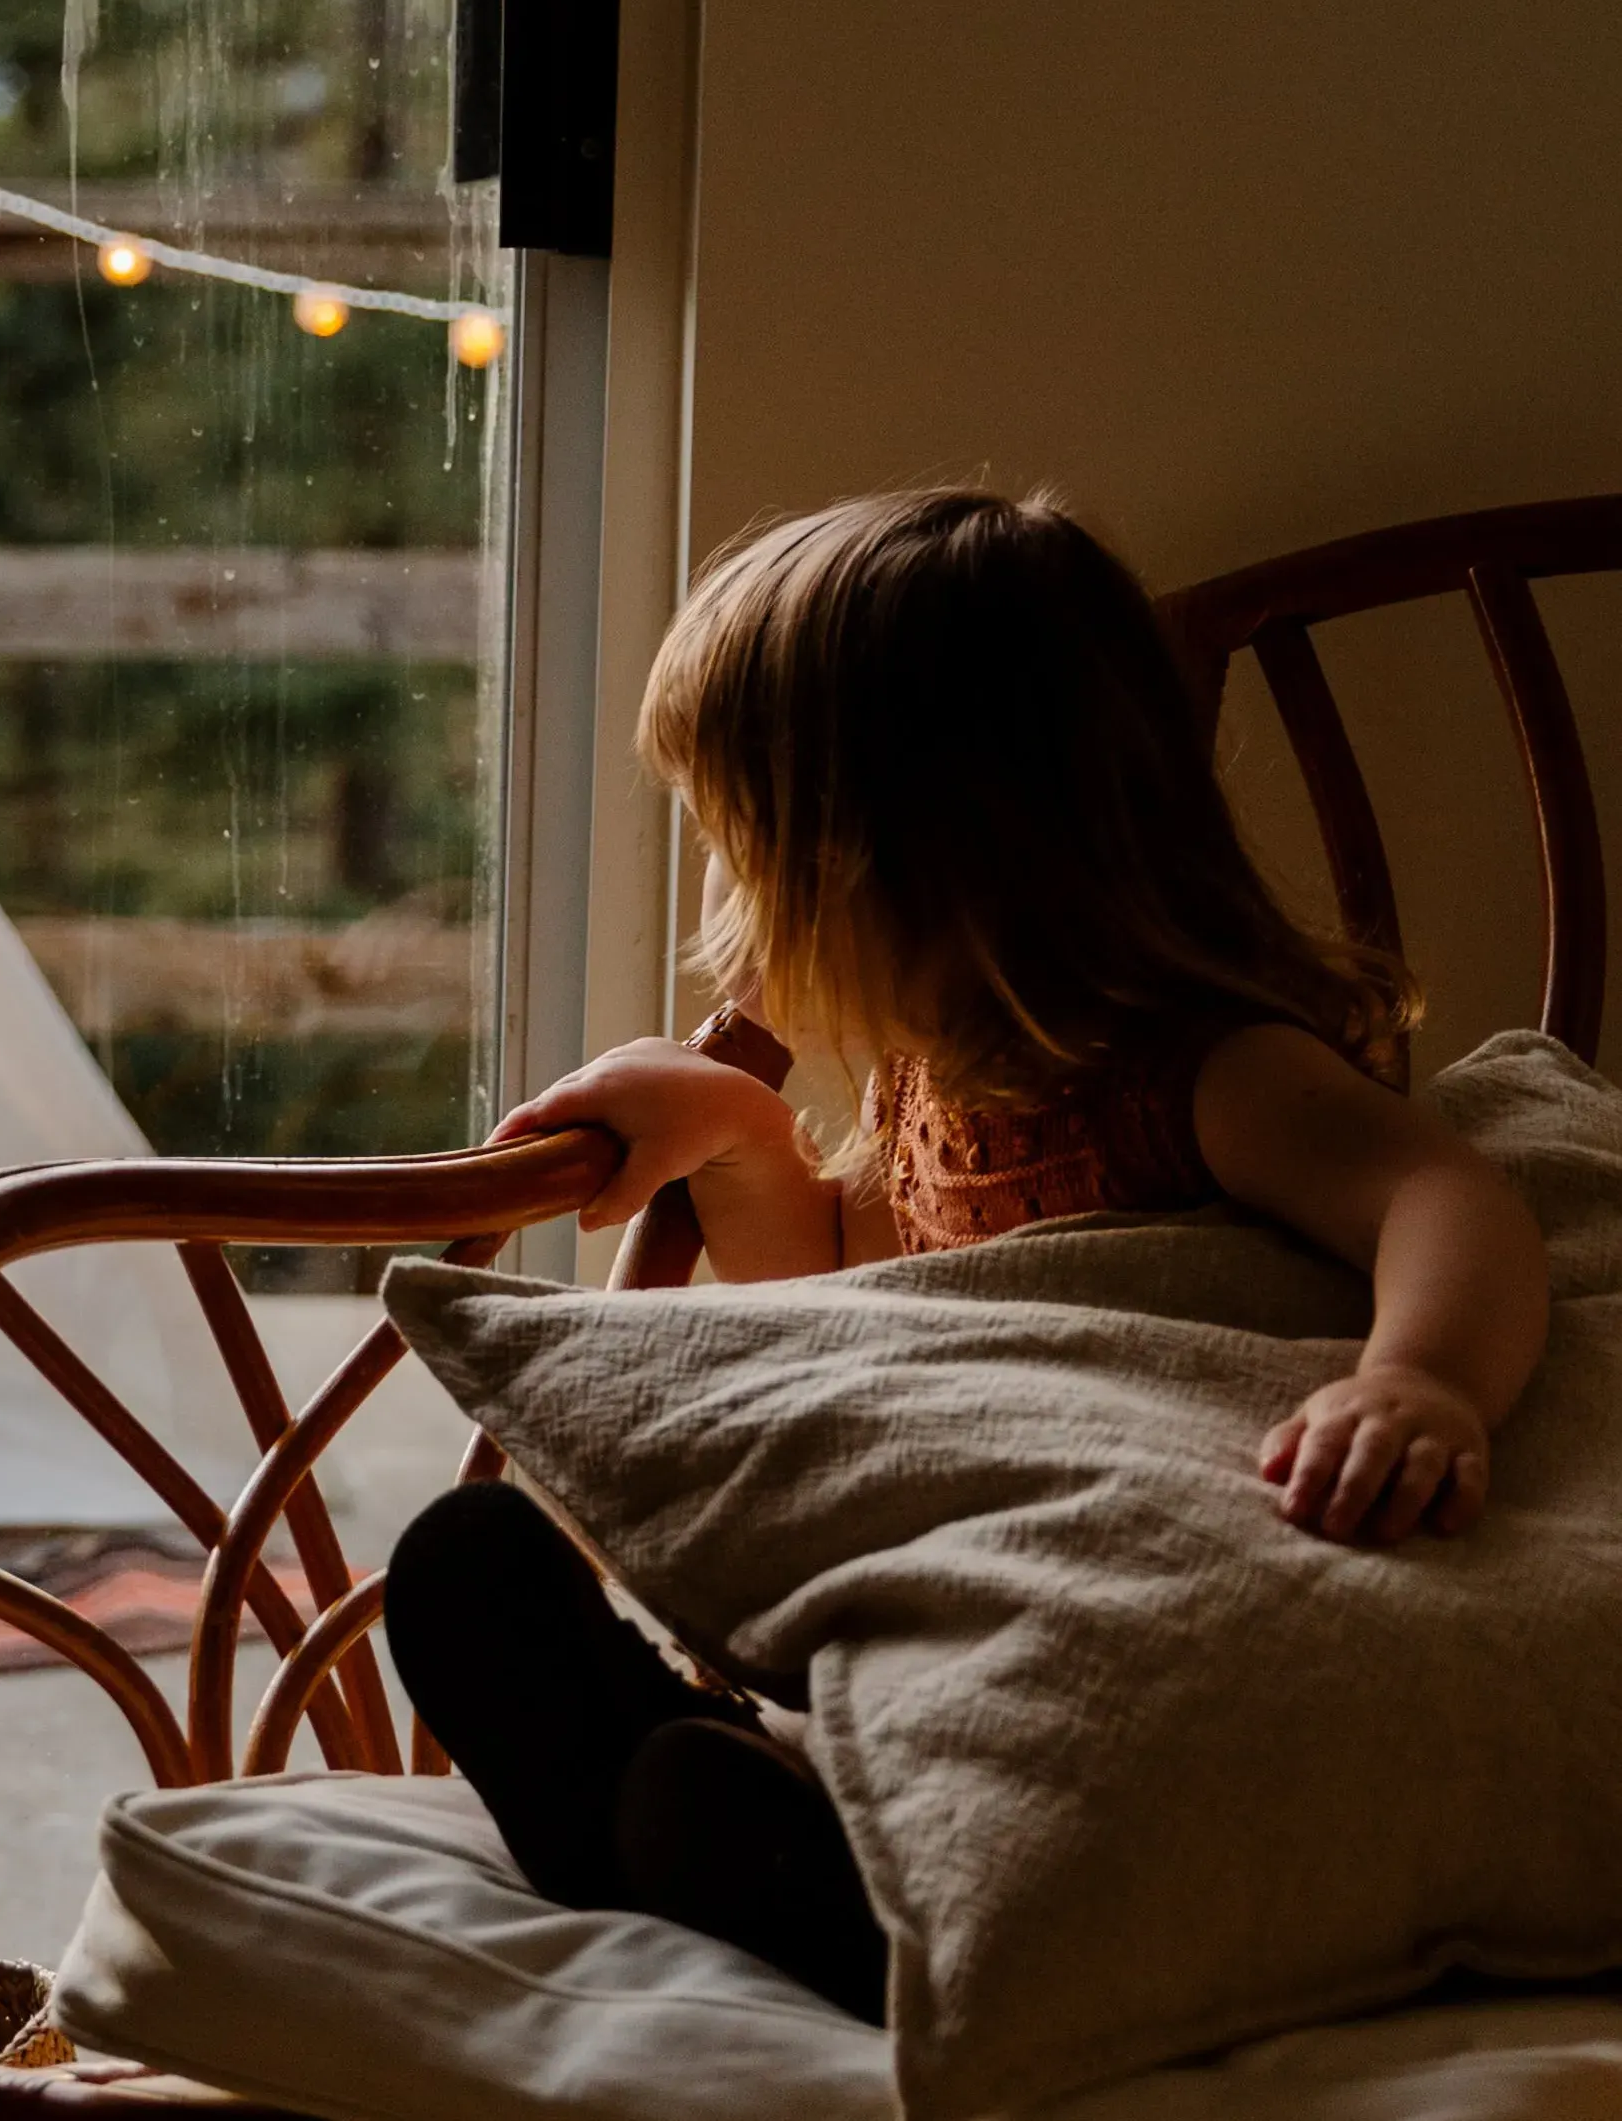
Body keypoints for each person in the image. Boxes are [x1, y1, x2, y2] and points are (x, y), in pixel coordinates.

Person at [383, 487, 1551, 2019]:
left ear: (903, 855)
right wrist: (740, 1133)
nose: (728, 912)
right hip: (972, 1589)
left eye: (749, 852)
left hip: (1125, 1600)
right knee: (476, 1567)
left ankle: (852, 1902)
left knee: (1056, 1699)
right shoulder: (934, 1088)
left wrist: (1418, 1385)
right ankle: (711, 1812)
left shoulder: (1197, 1074)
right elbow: (849, 1309)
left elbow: (1441, 1197)